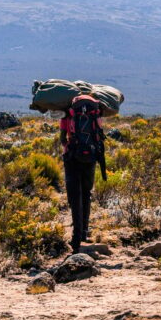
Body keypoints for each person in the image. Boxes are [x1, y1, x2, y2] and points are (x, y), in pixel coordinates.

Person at [60, 95, 107, 254]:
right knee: (86, 193)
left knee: (75, 196)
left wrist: (68, 147)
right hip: (91, 158)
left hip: (72, 158)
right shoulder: (96, 112)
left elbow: (62, 138)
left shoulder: (68, 113)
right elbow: (100, 135)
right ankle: (84, 233)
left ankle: (76, 235)